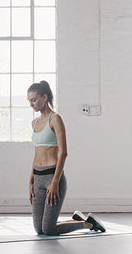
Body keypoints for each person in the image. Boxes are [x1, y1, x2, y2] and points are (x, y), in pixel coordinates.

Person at [27, 80, 106, 236]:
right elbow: (36, 153)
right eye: (29, 100)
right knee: (39, 229)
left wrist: (55, 181)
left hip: (52, 176)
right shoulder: (34, 123)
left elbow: (63, 152)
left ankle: (88, 223)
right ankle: (77, 219)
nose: (31, 104)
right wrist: (31, 179)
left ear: (44, 97)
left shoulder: (56, 119)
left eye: (34, 99)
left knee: (48, 230)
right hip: (37, 176)